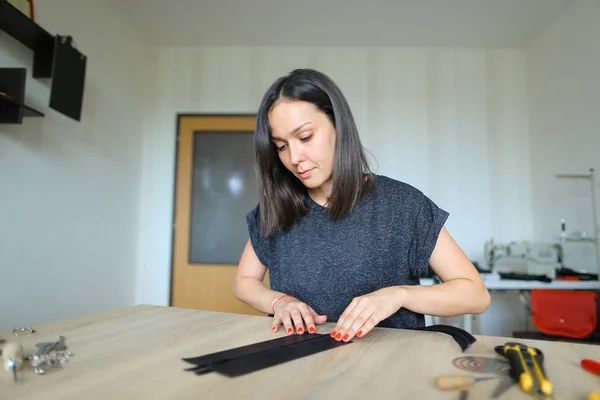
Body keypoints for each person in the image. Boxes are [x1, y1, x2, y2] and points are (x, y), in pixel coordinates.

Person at [233, 68, 490, 343]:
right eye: (281, 146)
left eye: (305, 137)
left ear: (338, 126)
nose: (294, 157)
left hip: (387, 370)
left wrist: (398, 295)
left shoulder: (402, 205)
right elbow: (244, 283)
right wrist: (279, 302)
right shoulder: (276, 208)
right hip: (299, 366)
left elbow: (475, 295)